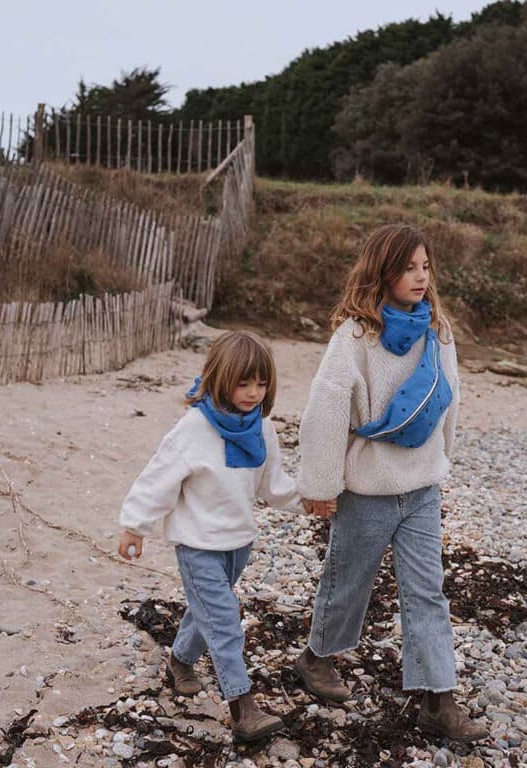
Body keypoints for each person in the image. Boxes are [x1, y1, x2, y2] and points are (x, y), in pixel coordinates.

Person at [296, 224, 487, 742]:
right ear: (383, 271)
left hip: (422, 489)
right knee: (348, 581)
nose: (420, 277)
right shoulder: (355, 337)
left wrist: (442, 456)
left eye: (425, 267)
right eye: (408, 267)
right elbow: (327, 409)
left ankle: (437, 699)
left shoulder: (438, 330)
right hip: (367, 489)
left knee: (428, 592)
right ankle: (316, 659)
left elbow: (449, 397)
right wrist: (321, 484)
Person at [118, 330, 301, 743]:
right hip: (198, 545)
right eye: (243, 383)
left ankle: (180, 661)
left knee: (207, 611)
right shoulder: (194, 427)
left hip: (238, 544)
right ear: (219, 378)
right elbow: (157, 479)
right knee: (224, 623)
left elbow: (273, 486)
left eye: (261, 383)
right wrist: (135, 525)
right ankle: (243, 708)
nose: (253, 392)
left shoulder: (262, 429)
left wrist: (313, 500)